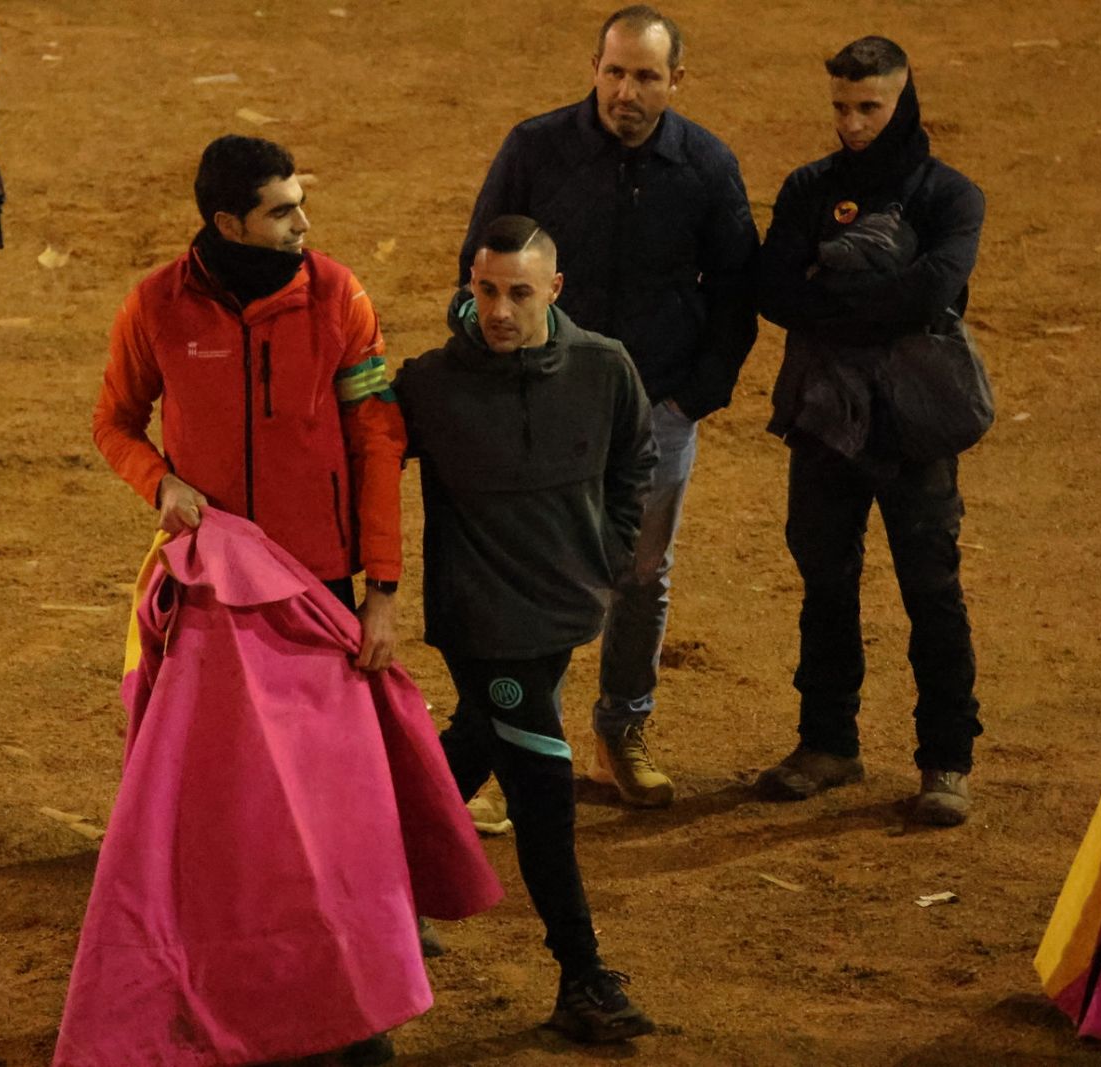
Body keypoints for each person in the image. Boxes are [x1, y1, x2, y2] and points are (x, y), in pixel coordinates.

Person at [458, 4, 758, 808]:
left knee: (642, 575)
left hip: (656, 410)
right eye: (615, 71)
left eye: (646, 76)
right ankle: (536, 746)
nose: (626, 90)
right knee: (540, 574)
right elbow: (479, 262)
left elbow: (736, 291)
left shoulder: (707, 166)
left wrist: (694, 396)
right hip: (549, 405)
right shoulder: (536, 149)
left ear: (676, 82)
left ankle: (621, 729)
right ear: (594, 67)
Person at [396, 216, 658, 1044]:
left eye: (518, 291)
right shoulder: (428, 384)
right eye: (485, 290)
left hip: (562, 612)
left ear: (554, 290)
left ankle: (374, 877)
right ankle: (581, 975)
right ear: (468, 287)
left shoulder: (604, 366)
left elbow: (636, 463)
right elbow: (355, 460)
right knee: (541, 788)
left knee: (481, 736)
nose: (500, 310)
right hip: (483, 623)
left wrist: (607, 555)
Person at [754, 36, 985, 826]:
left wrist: (832, 290)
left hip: (913, 426)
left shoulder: (950, 195)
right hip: (825, 419)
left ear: (903, 98)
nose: (852, 124)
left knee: (932, 590)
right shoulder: (808, 186)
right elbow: (775, 290)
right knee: (824, 580)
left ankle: (946, 760)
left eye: (869, 107)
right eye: (842, 108)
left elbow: (932, 293)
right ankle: (828, 743)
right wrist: (872, 296)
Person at [93, 133, 404, 670]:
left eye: (300, 205)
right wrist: (160, 482)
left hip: (316, 575)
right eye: (282, 212)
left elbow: (377, 439)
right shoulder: (155, 308)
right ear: (228, 224)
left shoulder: (339, 296)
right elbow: (114, 423)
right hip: (211, 574)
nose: (303, 225)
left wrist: (382, 588)